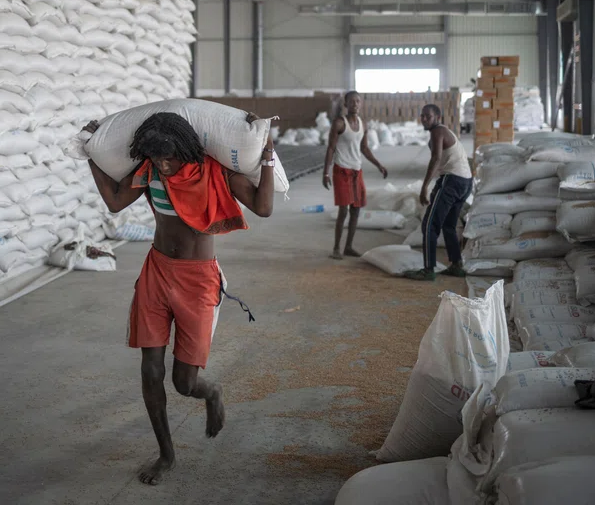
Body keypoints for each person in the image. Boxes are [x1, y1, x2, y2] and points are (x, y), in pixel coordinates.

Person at [83, 111, 276, 486]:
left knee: (184, 382)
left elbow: (264, 206)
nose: (164, 166)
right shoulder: (151, 171)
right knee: (150, 369)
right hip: (156, 272)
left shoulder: (214, 170)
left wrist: (267, 153)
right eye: (156, 158)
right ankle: (166, 454)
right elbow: (115, 201)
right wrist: (92, 152)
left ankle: (212, 392)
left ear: (186, 148)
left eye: (169, 157)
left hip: (198, 281)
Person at [403, 104, 474, 281]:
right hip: (465, 181)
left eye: (428, 116)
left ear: (438, 117)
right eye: (422, 116)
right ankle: (456, 264)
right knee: (449, 225)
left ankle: (428, 270)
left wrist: (424, 186)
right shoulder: (442, 132)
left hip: (452, 180)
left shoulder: (438, 132)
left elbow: (435, 158)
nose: (424, 119)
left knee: (429, 224)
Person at [322, 91, 388, 259]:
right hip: (341, 170)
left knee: (356, 210)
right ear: (346, 104)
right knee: (343, 211)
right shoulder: (339, 123)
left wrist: (379, 165)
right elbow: (331, 148)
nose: (355, 104)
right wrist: (326, 172)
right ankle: (336, 248)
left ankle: (348, 247)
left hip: (356, 171)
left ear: (361, 104)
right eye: (351, 101)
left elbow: (364, 148)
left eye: (358, 101)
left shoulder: (362, 124)